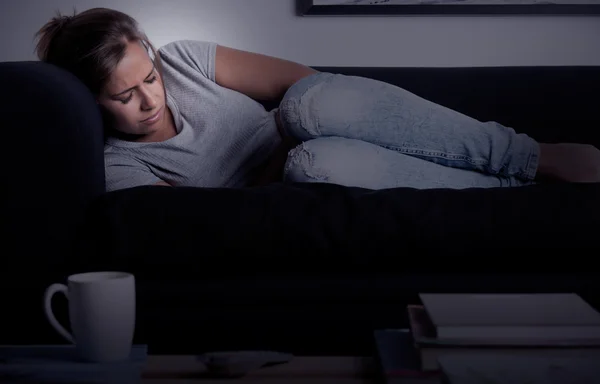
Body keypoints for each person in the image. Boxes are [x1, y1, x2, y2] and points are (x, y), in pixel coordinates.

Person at [34, 7, 600, 193]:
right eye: (124, 96)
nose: (149, 100)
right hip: (294, 180)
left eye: (149, 77)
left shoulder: (184, 57)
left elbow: (312, 83)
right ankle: (505, 190)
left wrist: (293, 124)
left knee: (309, 107)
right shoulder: (120, 164)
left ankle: (531, 156)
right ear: (90, 103)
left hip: (316, 124)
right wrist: (272, 164)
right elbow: (195, 225)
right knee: (313, 164)